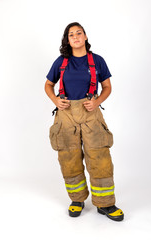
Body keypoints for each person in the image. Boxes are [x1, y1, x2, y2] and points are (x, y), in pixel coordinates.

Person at [44, 22, 124, 221]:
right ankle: (77, 200)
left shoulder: (97, 61)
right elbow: (48, 84)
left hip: (91, 115)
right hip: (65, 117)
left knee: (100, 158)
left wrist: (96, 101)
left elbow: (107, 87)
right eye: (71, 35)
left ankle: (105, 204)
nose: (76, 36)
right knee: (68, 159)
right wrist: (55, 100)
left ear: (85, 37)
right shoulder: (60, 62)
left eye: (79, 33)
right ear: (68, 40)